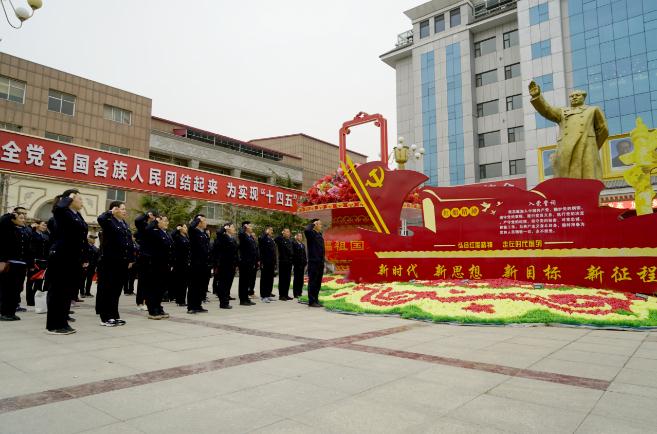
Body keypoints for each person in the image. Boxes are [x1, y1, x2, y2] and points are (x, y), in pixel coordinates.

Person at [529, 81, 609, 179]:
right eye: (572, 96)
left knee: (587, 177)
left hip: (586, 147)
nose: (574, 97)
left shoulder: (593, 110)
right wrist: (537, 97)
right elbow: (547, 110)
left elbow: (603, 129)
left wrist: (593, 146)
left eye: (577, 95)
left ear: (584, 97)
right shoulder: (562, 112)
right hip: (565, 148)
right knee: (566, 177)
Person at [46, 189, 88, 334]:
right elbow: (58, 208)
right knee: (58, 291)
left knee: (67, 291)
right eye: (79, 198)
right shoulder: (63, 213)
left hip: (74, 258)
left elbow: (82, 239)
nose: (82, 202)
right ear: (71, 200)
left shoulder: (77, 215)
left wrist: (83, 258)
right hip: (62, 257)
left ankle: (63, 322)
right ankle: (53, 325)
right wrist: (68, 197)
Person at [96, 201, 134, 327]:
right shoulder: (108, 221)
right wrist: (110, 212)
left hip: (122, 262)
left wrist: (130, 259)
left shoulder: (123, 223)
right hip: (110, 261)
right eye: (122, 209)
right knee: (108, 289)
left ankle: (114, 315)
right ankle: (105, 317)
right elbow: (100, 218)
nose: (125, 211)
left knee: (116, 290)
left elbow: (128, 243)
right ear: (115, 209)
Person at [0, 208, 32, 321]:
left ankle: (11, 312)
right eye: (20, 217)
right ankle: (4, 313)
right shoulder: (8, 228)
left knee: (17, 289)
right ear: (14, 218)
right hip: (10, 264)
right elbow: (2, 221)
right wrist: (10, 214)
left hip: (22, 264)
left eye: (24, 217)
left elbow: (29, 249)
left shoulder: (26, 230)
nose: (23, 219)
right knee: (7, 289)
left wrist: (30, 263)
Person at [143, 215, 174, 319]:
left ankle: (158, 306)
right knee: (153, 287)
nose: (167, 223)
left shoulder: (166, 233)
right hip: (155, 264)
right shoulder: (154, 231)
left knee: (161, 288)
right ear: (158, 222)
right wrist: (154, 221)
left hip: (165, 264)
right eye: (164, 221)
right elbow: (147, 229)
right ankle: (152, 309)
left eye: (167, 221)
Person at [187, 214, 210, 314]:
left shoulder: (203, 233)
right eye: (204, 221)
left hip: (204, 262)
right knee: (193, 285)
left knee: (201, 285)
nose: (206, 222)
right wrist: (197, 219)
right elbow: (191, 227)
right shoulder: (194, 231)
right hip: (195, 262)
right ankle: (191, 307)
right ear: (199, 222)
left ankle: (198, 305)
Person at [134, 210, 156, 311]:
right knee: (142, 281)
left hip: (151, 256)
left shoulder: (153, 226)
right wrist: (146, 215)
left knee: (149, 281)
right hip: (144, 256)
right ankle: (140, 302)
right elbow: (137, 220)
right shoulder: (143, 225)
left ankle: (147, 301)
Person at [212, 222, 238, 309]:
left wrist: (236, 263)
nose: (234, 229)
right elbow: (218, 232)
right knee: (223, 284)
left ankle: (226, 300)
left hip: (232, 264)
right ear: (228, 229)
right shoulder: (223, 237)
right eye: (232, 227)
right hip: (224, 264)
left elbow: (235, 252)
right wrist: (224, 228)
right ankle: (223, 302)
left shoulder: (232, 238)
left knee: (228, 284)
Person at [26, 220, 49, 306]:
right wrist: (31, 263)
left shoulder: (46, 236)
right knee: (30, 281)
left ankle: (36, 299)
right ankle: (30, 300)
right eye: (43, 225)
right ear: (37, 225)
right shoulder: (32, 234)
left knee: (39, 282)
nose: (44, 227)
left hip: (44, 262)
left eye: (45, 226)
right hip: (34, 261)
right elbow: (29, 249)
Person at [304, 218, 324, 308]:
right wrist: (313, 224)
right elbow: (306, 229)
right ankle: (311, 301)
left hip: (320, 261)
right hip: (313, 261)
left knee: (318, 282)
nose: (321, 226)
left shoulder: (319, 234)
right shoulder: (310, 233)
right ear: (315, 224)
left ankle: (316, 299)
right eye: (319, 224)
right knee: (313, 281)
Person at [237, 221, 258, 306]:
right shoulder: (243, 235)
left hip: (250, 262)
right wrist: (244, 227)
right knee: (243, 281)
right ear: (245, 227)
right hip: (245, 262)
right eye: (249, 226)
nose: (251, 227)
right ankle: (242, 299)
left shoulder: (250, 237)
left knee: (247, 281)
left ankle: (246, 298)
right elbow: (240, 233)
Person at [171, 224, 191, 307]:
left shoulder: (186, 237)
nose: (186, 228)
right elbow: (172, 235)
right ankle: (179, 300)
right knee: (180, 282)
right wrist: (177, 228)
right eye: (184, 227)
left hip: (186, 262)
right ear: (180, 228)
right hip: (179, 262)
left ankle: (182, 299)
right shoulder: (177, 237)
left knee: (185, 282)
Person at [258, 226, 276, 303]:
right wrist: (265, 233)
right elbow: (260, 239)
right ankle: (263, 296)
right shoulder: (263, 238)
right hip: (265, 262)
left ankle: (268, 294)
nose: (272, 231)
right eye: (270, 230)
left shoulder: (271, 239)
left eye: (272, 230)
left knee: (270, 279)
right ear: (266, 230)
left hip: (271, 262)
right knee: (264, 279)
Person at [274, 228, 294, 301]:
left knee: (288, 279)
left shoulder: (290, 240)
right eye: (287, 232)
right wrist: (281, 234)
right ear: (283, 233)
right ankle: (281, 295)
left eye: (289, 232)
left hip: (289, 262)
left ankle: (286, 294)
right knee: (282, 279)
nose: (288, 233)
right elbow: (275, 239)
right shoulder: (280, 240)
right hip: (283, 262)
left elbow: (291, 251)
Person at [80, 234, 99, 299]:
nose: (94, 240)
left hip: (92, 266)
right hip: (85, 266)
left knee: (89, 280)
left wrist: (96, 266)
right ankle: (82, 292)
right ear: (88, 239)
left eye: (94, 239)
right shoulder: (85, 246)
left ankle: (87, 292)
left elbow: (97, 258)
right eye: (92, 238)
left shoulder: (95, 248)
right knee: (83, 279)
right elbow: (82, 255)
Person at [291, 232, 307, 299]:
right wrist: (294, 263)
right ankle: (296, 293)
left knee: (301, 279)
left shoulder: (303, 245)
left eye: (301, 236)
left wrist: (305, 262)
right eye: (299, 236)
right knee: (296, 279)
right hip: (297, 264)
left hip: (302, 264)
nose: (300, 237)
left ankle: (300, 292)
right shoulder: (294, 244)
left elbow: (304, 254)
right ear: (296, 237)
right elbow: (293, 254)